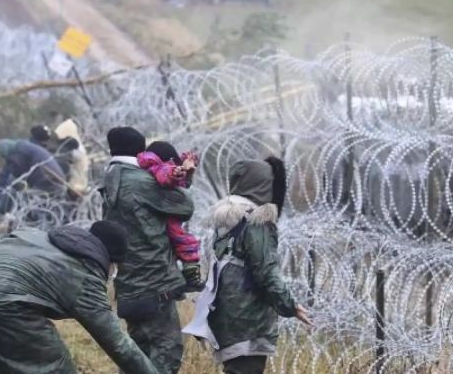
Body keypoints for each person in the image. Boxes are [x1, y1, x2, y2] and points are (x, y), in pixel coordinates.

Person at [0, 222, 160, 374]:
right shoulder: (84, 275)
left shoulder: (39, 236)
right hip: (2, 296)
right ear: (110, 261)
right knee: (57, 368)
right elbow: (119, 344)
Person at [184, 157, 311, 374]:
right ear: (263, 185)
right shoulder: (257, 220)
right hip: (248, 320)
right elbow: (265, 270)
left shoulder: (227, 219)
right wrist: (290, 305)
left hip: (227, 314)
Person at [102, 126, 195, 374]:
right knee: (166, 356)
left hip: (128, 285)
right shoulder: (141, 181)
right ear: (141, 151)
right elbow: (185, 206)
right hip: (155, 285)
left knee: (137, 359)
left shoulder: (110, 178)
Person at [0, 138, 66, 242]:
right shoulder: (25, 147)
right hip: (55, 183)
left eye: (3, 156)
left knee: (8, 206)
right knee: (33, 210)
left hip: (46, 183)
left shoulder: (19, 152)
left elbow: (14, 179)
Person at [138, 141, 204, 291]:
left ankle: (189, 276)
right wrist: (175, 173)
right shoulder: (162, 167)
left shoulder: (150, 167)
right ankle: (191, 278)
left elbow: (182, 184)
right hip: (168, 219)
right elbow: (165, 175)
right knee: (185, 242)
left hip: (165, 215)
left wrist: (187, 172)